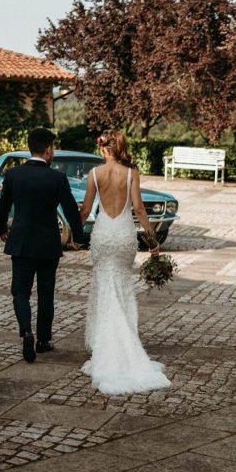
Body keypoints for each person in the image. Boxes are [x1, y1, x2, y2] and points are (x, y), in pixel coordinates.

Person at [78, 130, 172, 395]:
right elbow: (139, 209)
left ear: (103, 148)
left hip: (104, 234)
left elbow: (85, 211)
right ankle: (124, 341)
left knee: (103, 285)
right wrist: (153, 241)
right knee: (120, 285)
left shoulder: (94, 174)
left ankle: (105, 346)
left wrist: (72, 235)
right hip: (123, 236)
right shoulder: (131, 173)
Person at [0, 128, 85, 363]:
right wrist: (78, 236)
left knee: (20, 291)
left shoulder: (13, 175)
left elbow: (3, 207)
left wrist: (1, 229)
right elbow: (70, 210)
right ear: (48, 150)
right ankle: (43, 341)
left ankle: (26, 330)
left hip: (21, 243)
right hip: (47, 245)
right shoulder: (57, 178)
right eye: (53, 148)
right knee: (46, 294)